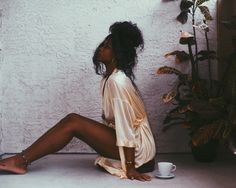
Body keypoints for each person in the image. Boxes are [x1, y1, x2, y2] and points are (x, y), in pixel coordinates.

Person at [0, 21, 156, 181]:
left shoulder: (118, 81)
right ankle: (20, 160)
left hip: (138, 151)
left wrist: (130, 167)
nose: (101, 48)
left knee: (73, 121)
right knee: (72, 121)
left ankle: (20, 161)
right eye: (103, 44)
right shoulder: (108, 79)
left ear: (117, 54)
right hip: (129, 143)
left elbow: (127, 126)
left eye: (107, 47)